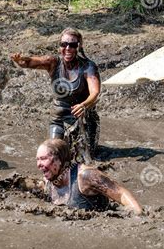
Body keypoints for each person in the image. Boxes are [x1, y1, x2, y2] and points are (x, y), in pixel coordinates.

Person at [11, 27, 101, 159]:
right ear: (60, 46)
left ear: (79, 46)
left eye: (72, 45)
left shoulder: (88, 66)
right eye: (64, 44)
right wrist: (20, 60)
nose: (68, 48)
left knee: (85, 159)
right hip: (59, 118)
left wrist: (84, 105)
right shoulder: (53, 62)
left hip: (84, 119)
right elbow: (30, 62)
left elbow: (95, 92)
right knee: (53, 154)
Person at [35, 139, 143, 215]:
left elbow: (121, 194)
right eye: (37, 159)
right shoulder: (48, 181)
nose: (38, 164)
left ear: (60, 160)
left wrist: (139, 216)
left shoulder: (86, 176)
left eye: (43, 159)